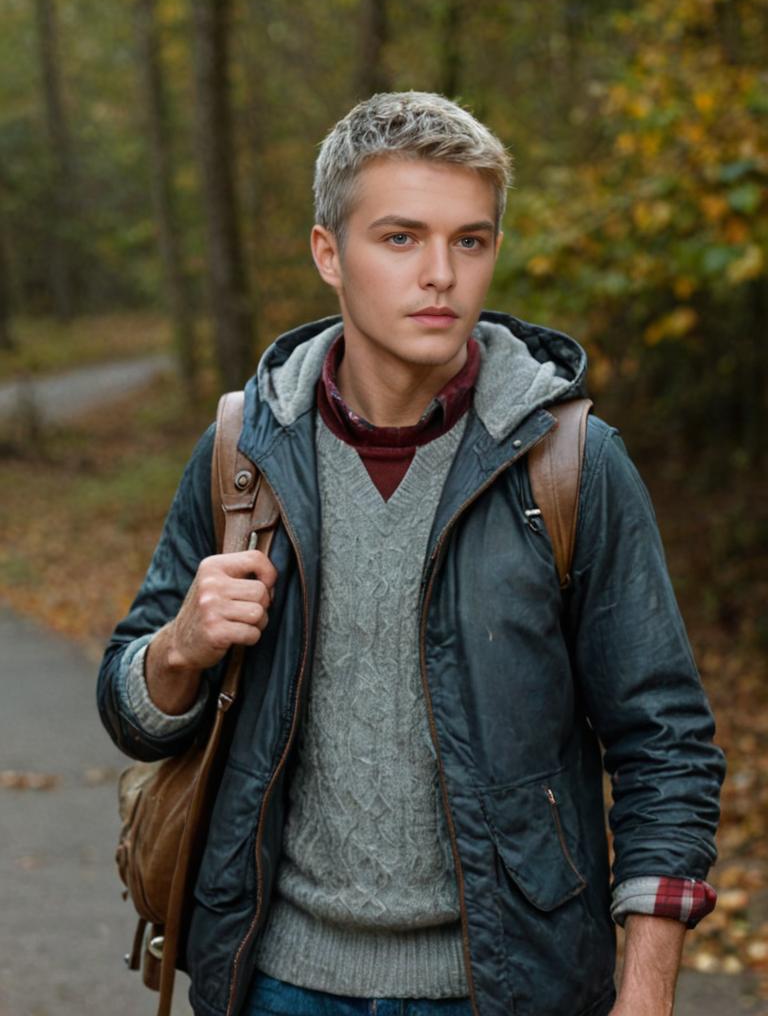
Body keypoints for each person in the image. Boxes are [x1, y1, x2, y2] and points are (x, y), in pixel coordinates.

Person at [98, 92, 725, 1016]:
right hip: (275, 982)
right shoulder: (244, 451)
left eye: (470, 241)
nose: (441, 274)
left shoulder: (570, 465)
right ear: (328, 254)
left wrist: (645, 994)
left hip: (510, 988)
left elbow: (664, 744)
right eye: (400, 238)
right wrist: (180, 647)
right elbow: (131, 712)